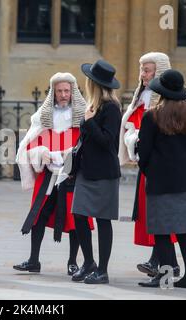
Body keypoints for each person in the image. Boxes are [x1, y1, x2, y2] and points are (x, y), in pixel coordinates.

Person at [14, 72, 93, 276]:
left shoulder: (83, 116)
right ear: (54, 93)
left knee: (75, 219)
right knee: (38, 215)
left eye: (67, 90)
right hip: (47, 174)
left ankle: (73, 262)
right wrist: (41, 153)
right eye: (59, 91)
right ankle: (33, 260)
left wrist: (68, 155)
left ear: (72, 91)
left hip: (71, 174)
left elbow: (87, 144)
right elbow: (31, 144)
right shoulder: (43, 116)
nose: (64, 95)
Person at [137, 69, 186, 289]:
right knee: (185, 231)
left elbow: (144, 150)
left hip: (160, 181)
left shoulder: (152, 115)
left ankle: (165, 279)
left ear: (162, 91)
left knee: (162, 231)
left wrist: (147, 168)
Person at [118, 52, 180, 278]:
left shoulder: (177, 99)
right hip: (149, 164)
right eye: (141, 70)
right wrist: (132, 138)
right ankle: (166, 263)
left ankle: (163, 263)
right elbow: (134, 124)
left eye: (147, 70)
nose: (142, 75)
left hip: (165, 166)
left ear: (159, 72)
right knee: (152, 214)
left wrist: (137, 137)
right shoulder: (144, 95)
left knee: (161, 215)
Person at [70, 60, 122, 284]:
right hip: (85, 170)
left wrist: (90, 123)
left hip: (104, 173)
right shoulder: (93, 105)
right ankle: (88, 262)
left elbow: (108, 142)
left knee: (102, 220)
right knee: (79, 215)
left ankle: (102, 270)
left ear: (94, 83)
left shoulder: (111, 108)